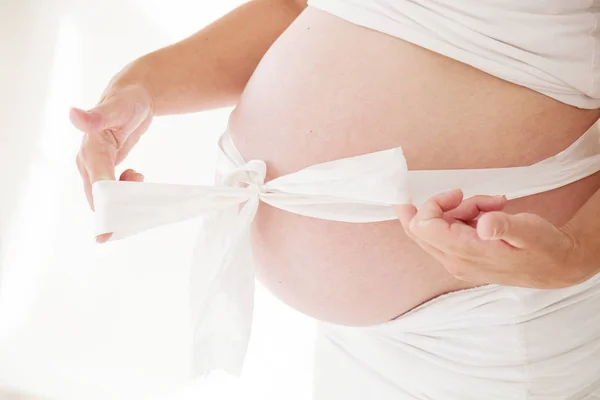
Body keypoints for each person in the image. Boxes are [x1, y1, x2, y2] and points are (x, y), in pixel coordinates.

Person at [71, 0, 600, 398]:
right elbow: (296, 8)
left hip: (501, 319)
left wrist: (578, 252)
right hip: (356, 346)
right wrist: (142, 87)